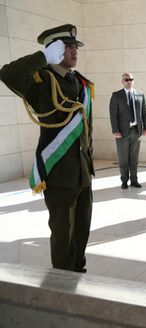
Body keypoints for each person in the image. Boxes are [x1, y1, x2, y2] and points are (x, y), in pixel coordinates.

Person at [0, 24, 94, 273]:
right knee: (63, 231)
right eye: (68, 47)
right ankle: (63, 278)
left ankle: (77, 267)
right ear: (55, 49)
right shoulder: (40, 81)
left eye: (75, 46)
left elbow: (86, 129)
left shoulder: (81, 82)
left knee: (82, 226)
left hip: (82, 170)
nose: (75, 51)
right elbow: (7, 74)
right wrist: (42, 57)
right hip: (59, 170)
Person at [109, 72, 146, 189]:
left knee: (134, 158)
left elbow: (144, 112)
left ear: (133, 81)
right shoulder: (116, 95)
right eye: (126, 80)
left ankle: (134, 180)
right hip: (122, 132)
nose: (129, 81)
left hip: (136, 132)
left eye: (131, 79)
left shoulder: (140, 95)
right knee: (123, 158)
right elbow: (113, 115)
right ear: (122, 82)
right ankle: (124, 181)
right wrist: (115, 130)